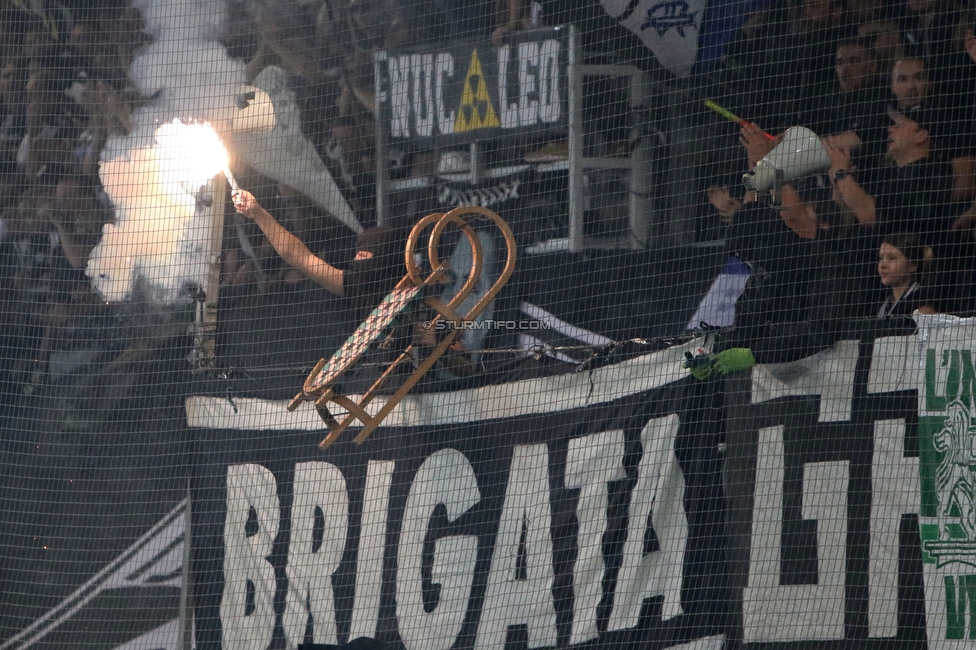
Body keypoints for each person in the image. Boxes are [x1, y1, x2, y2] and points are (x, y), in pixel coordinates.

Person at [875, 232, 937, 317]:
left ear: (912, 265)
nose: (882, 265)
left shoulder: (923, 309)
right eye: (881, 258)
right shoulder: (884, 305)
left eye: (892, 258)